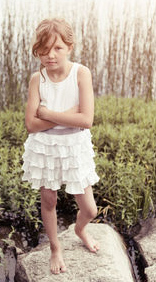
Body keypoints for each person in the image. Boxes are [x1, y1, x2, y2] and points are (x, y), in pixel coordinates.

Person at [22, 18, 100, 275]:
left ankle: (79, 229)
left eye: (57, 48)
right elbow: (31, 125)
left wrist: (47, 112)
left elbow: (86, 120)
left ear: (69, 47)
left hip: (74, 147)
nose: (50, 55)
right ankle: (55, 247)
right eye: (43, 49)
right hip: (45, 147)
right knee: (49, 199)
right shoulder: (38, 78)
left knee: (90, 208)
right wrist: (66, 114)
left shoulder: (81, 73)